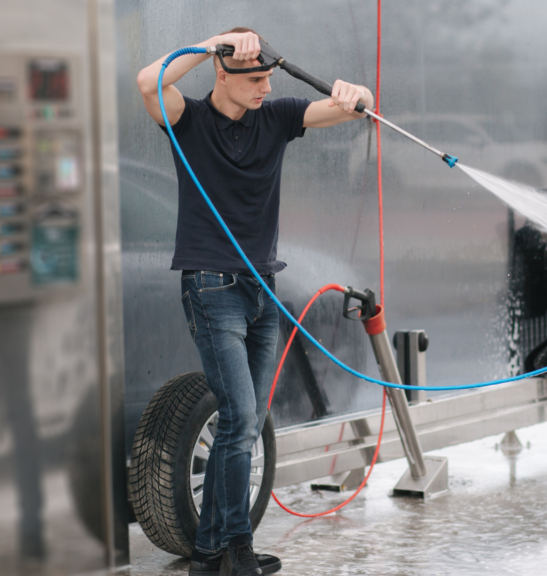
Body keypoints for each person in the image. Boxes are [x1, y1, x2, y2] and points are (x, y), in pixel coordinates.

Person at [136, 27, 373, 576]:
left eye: (269, 78)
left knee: (245, 421)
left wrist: (353, 93)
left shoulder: (279, 117)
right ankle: (235, 550)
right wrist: (209, 43)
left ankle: (211, 553)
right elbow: (149, 83)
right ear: (224, 74)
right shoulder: (188, 121)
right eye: (255, 80)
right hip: (212, 287)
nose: (266, 88)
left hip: (264, 288)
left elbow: (356, 111)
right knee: (240, 415)